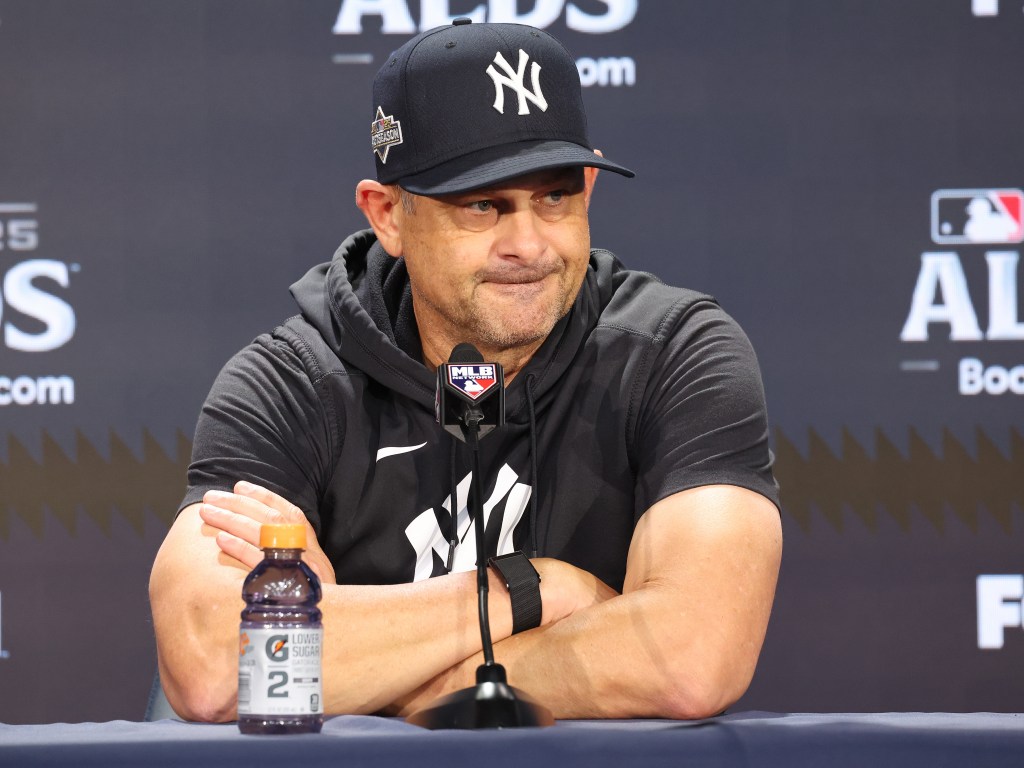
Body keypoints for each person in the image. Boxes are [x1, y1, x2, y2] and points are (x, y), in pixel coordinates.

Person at [149, 19, 782, 722]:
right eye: (483, 205)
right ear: (388, 214)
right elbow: (215, 668)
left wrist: (371, 666)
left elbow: (691, 658)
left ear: (590, 192)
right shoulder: (290, 383)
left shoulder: (676, 353)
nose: (528, 244)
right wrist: (532, 591)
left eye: (555, 198)